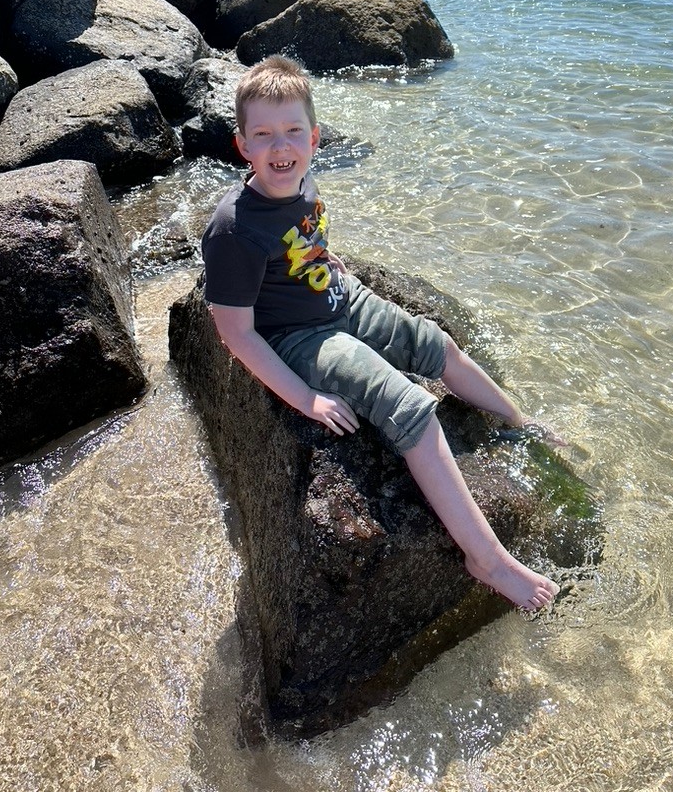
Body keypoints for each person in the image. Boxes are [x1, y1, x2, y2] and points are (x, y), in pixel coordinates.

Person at [202, 56, 562, 613]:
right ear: (242, 145)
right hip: (298, 336)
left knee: (436, 345)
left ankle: (518, 423)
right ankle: (486, 559)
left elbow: (305, 231)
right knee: (408, 405)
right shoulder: (234, 230)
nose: (282, 147)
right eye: (265, 135)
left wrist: (325, 257)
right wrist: (305, 397)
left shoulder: (302, 176)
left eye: (294, 131)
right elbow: (236, 335)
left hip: (338, 296)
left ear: (315, 137)